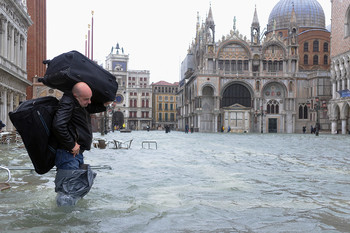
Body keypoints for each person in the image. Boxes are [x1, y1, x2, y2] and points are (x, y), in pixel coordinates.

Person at [52, 82, 110, 206]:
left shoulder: (76, 103)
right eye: (86, 99)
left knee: (72, 191)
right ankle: (64, 223)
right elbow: (58, 125)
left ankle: (70, 221)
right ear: (75, 96)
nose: (89, 102)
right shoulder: (67, 103)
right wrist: (71, 145)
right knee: (67, 194)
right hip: (68, 154)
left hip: (75, 154)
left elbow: (90, 108)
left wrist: (103, 105)